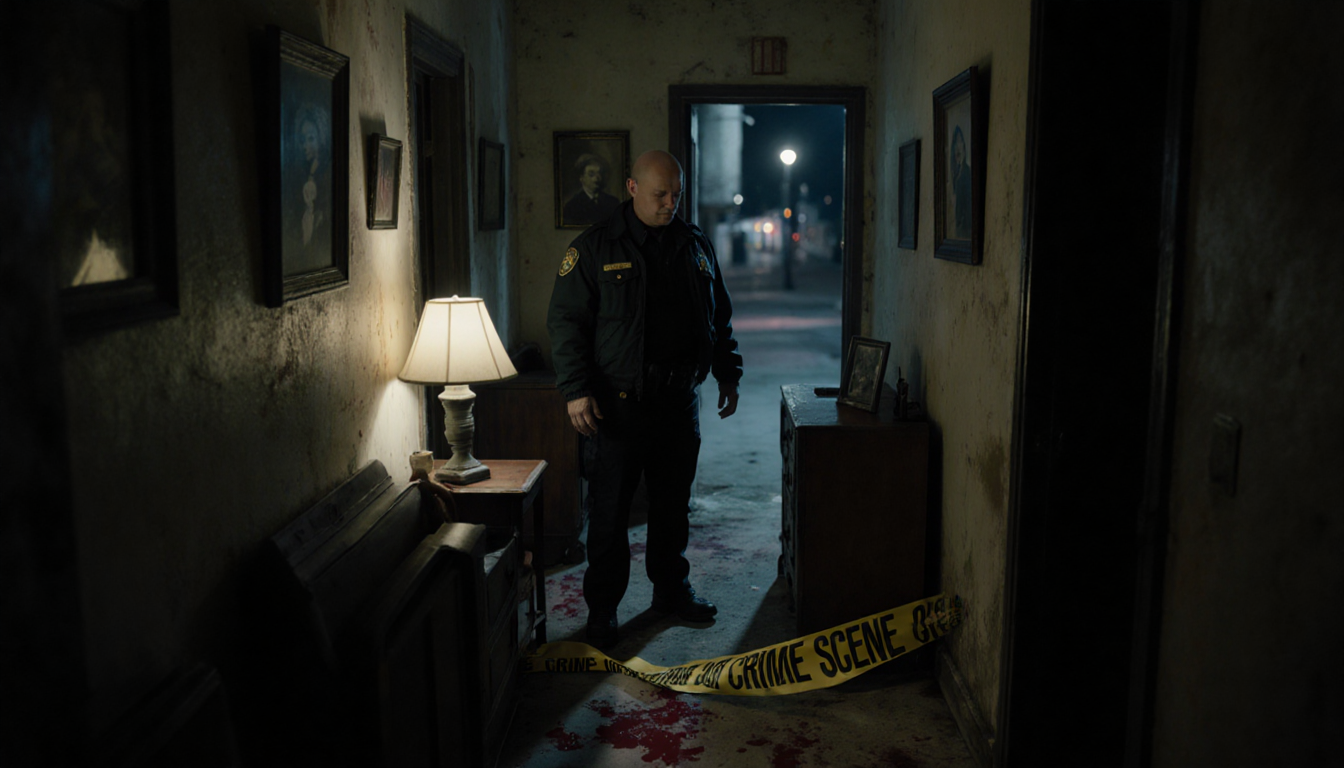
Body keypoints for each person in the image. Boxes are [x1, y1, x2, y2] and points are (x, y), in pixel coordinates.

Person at [547, 149, 742, 649]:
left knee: (673, 507)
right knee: (610, 515)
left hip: (679, 403)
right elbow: (566, 323)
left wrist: (727, 373)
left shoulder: (693, 244)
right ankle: (604, 610)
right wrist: (575, 391)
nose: (670, 203)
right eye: (660, 194)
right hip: (618, 407)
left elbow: (718, 315)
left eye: (677, 193)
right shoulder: (594, 247)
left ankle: (670, 592)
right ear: (632, 188)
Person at [562, 153, 621, 226]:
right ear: (581, 178)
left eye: (599, 173)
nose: (597, 178)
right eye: (591, 174)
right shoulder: (572, 206)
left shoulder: (613, 202)